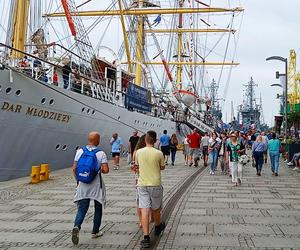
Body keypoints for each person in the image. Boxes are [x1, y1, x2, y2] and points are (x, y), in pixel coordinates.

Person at [72, 131, 109, 245]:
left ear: (89, 139)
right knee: (98, 208)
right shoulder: (101, 153)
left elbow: (74, 168)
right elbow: (106, 170)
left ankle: (77, 226)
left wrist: (78, 181)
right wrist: (99, 169)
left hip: (83, 184)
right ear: (97, 140)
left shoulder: (80, 151)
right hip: (96, 185)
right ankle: (95, 231)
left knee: (82, 208)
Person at [135, 131, 166, 248]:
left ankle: (146, 237)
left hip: (142, 184)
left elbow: (137, 166)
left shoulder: (138, 152)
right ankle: (157, 226)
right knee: (156, 208)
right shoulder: (159, 153)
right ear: (155, 140)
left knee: (144, 209)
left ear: (145, 140)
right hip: (155, 184)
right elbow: (162, 167)